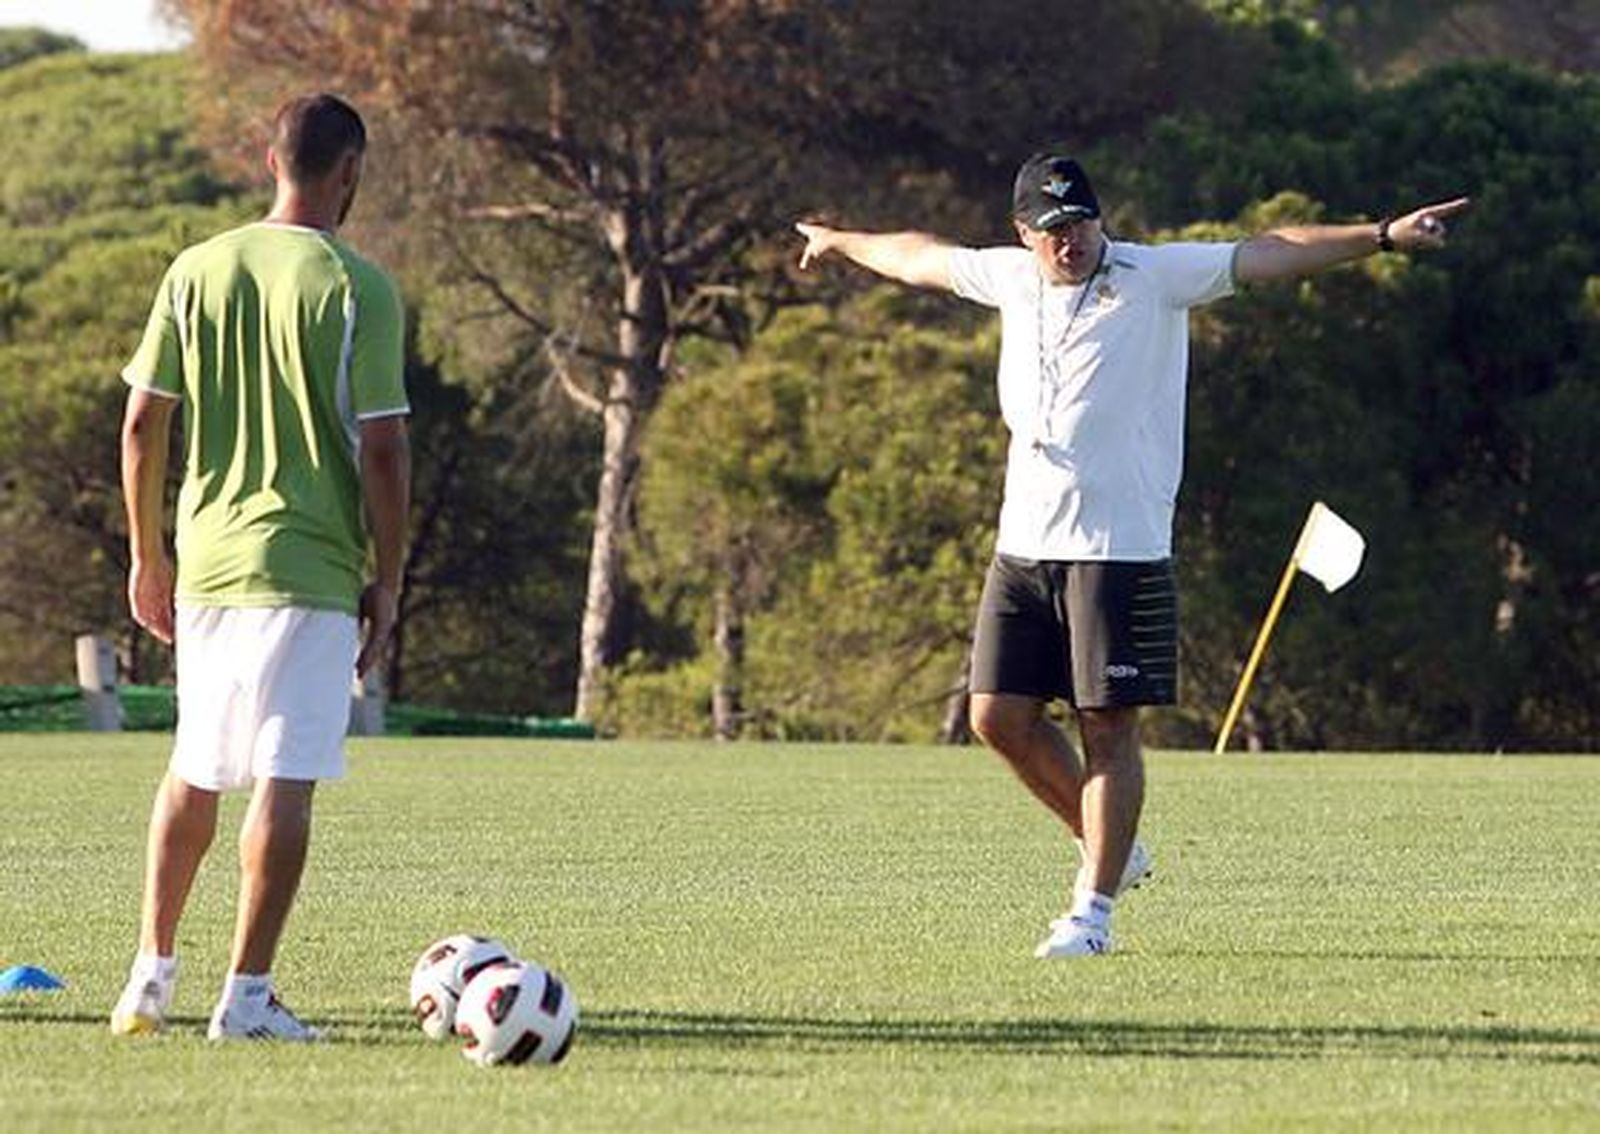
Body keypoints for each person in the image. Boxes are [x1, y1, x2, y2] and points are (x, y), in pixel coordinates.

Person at [797, 151, 1466, 958]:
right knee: (994, 716)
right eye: (1051, 230)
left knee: (1106, 728)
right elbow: (915, 256)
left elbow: (1272, 248)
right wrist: (840, 241)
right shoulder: (1008, 278)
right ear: (1023, 234)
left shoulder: (1153, 276)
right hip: (1023, 546)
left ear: (1099, 219)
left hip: (1119, 548)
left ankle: (1092, 914)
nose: (1068, 242)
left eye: (1079, 223)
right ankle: (1109, 840)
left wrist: (1383, 236)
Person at [111, 93, 411, 1039]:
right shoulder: (356, 284)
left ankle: (148, 980)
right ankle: (245, 998)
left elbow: (140, 423)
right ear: (349, 169)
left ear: (268, 158)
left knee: (193, 771)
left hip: (205, 561)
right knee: (285, 779)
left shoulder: (195, 268)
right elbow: (386, 448)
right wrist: (389, 576)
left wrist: (145, 553)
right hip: (308, 565)